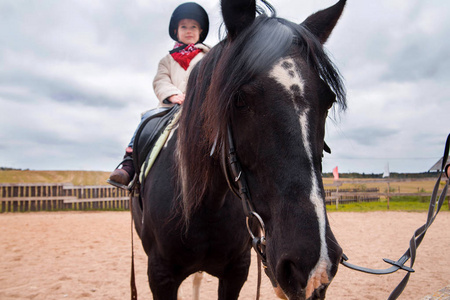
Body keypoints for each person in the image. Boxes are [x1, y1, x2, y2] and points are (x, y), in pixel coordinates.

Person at [108, 2, 210, 188]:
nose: (189, 30)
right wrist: (173, 95)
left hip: (200, 106)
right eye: (184, 27)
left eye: (193, 26)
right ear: (176, 31)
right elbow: (160, 81)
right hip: (171, 107)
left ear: (200, 31)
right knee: (147, 120)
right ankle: (129, 164)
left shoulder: (208, 57)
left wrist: (195, 96)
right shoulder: (167, 60)